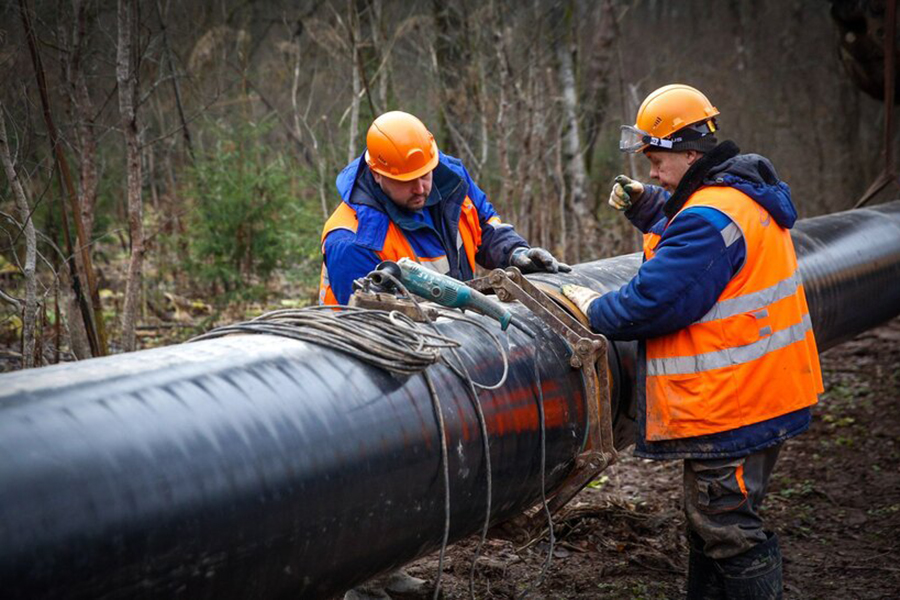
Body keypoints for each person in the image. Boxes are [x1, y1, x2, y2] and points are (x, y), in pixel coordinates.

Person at [561, 84, 823, 599]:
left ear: (689, 152)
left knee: (727, 530)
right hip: (764, 395)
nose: (650, 171)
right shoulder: (740, 195)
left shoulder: (709, 219)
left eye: (656, 161)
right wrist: (651, 207)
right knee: (711, 525)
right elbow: (697, 236)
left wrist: (592, 308)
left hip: (731, 406)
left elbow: (654, 301)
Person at [319, 110, 568, 306]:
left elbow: (484, 225)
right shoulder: (353, 242)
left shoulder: (450, 179)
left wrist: (514, 253)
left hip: (457, 331)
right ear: (377, 175)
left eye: (424, 175)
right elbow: (370, 330)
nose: (420, 188)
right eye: (406, 181)